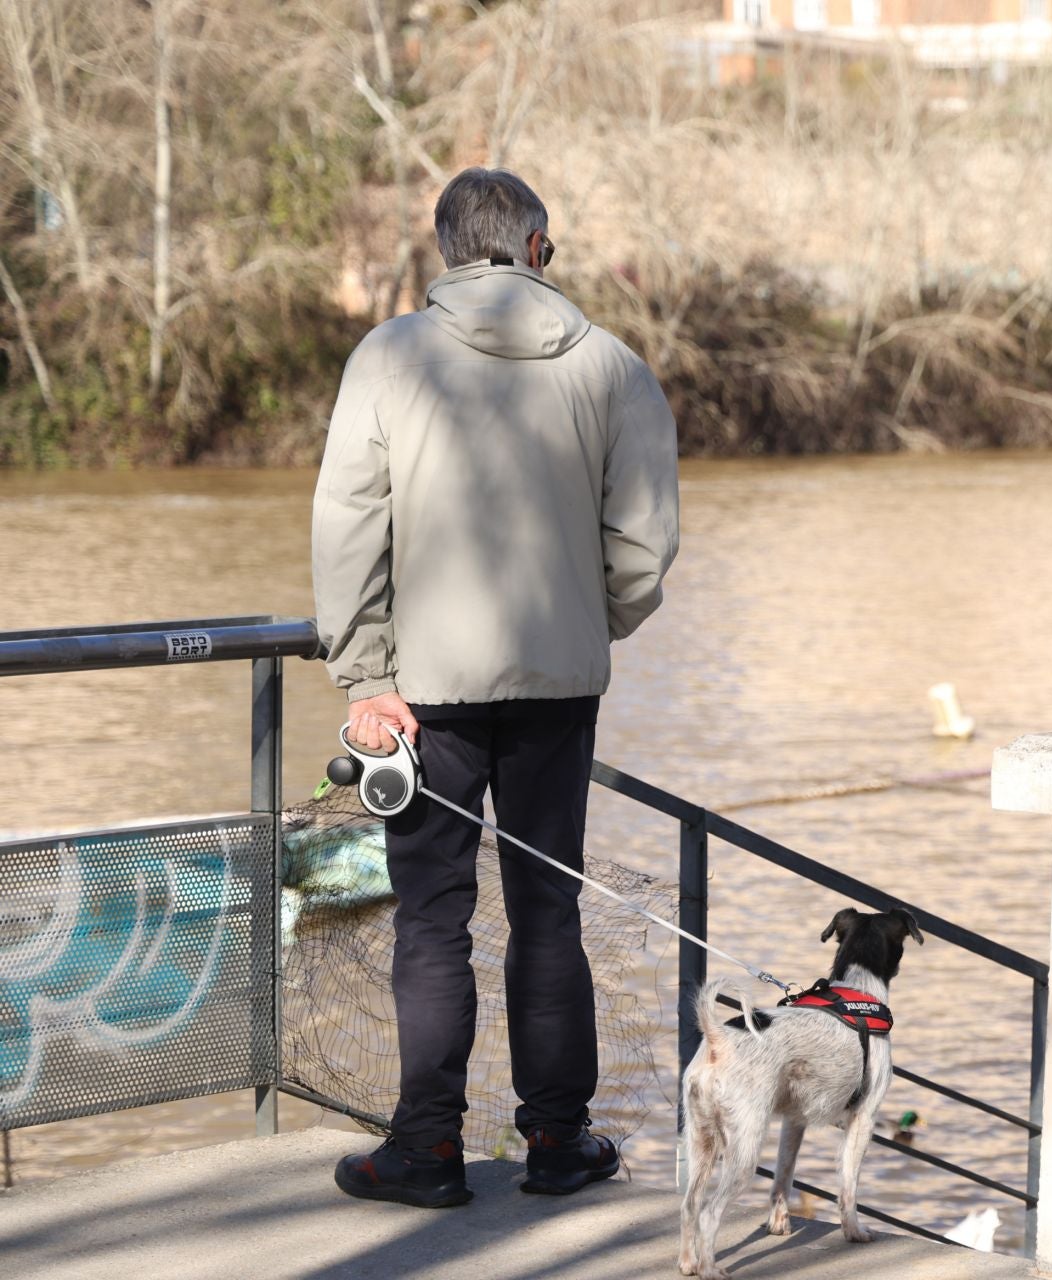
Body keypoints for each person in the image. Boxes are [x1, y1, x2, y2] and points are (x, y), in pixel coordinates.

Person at [311, 167, 680, 1209]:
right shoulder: (613, 366)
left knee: (432, 920)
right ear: (537, 248)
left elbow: (346, 525)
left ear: (444, 251)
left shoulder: (389, 356)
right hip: (556, 688)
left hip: (421, 695)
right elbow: (646, 544)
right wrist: (586, 617)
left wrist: (365, 673)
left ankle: (426, 1148)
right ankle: (559, 1141)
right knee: (548, 912)